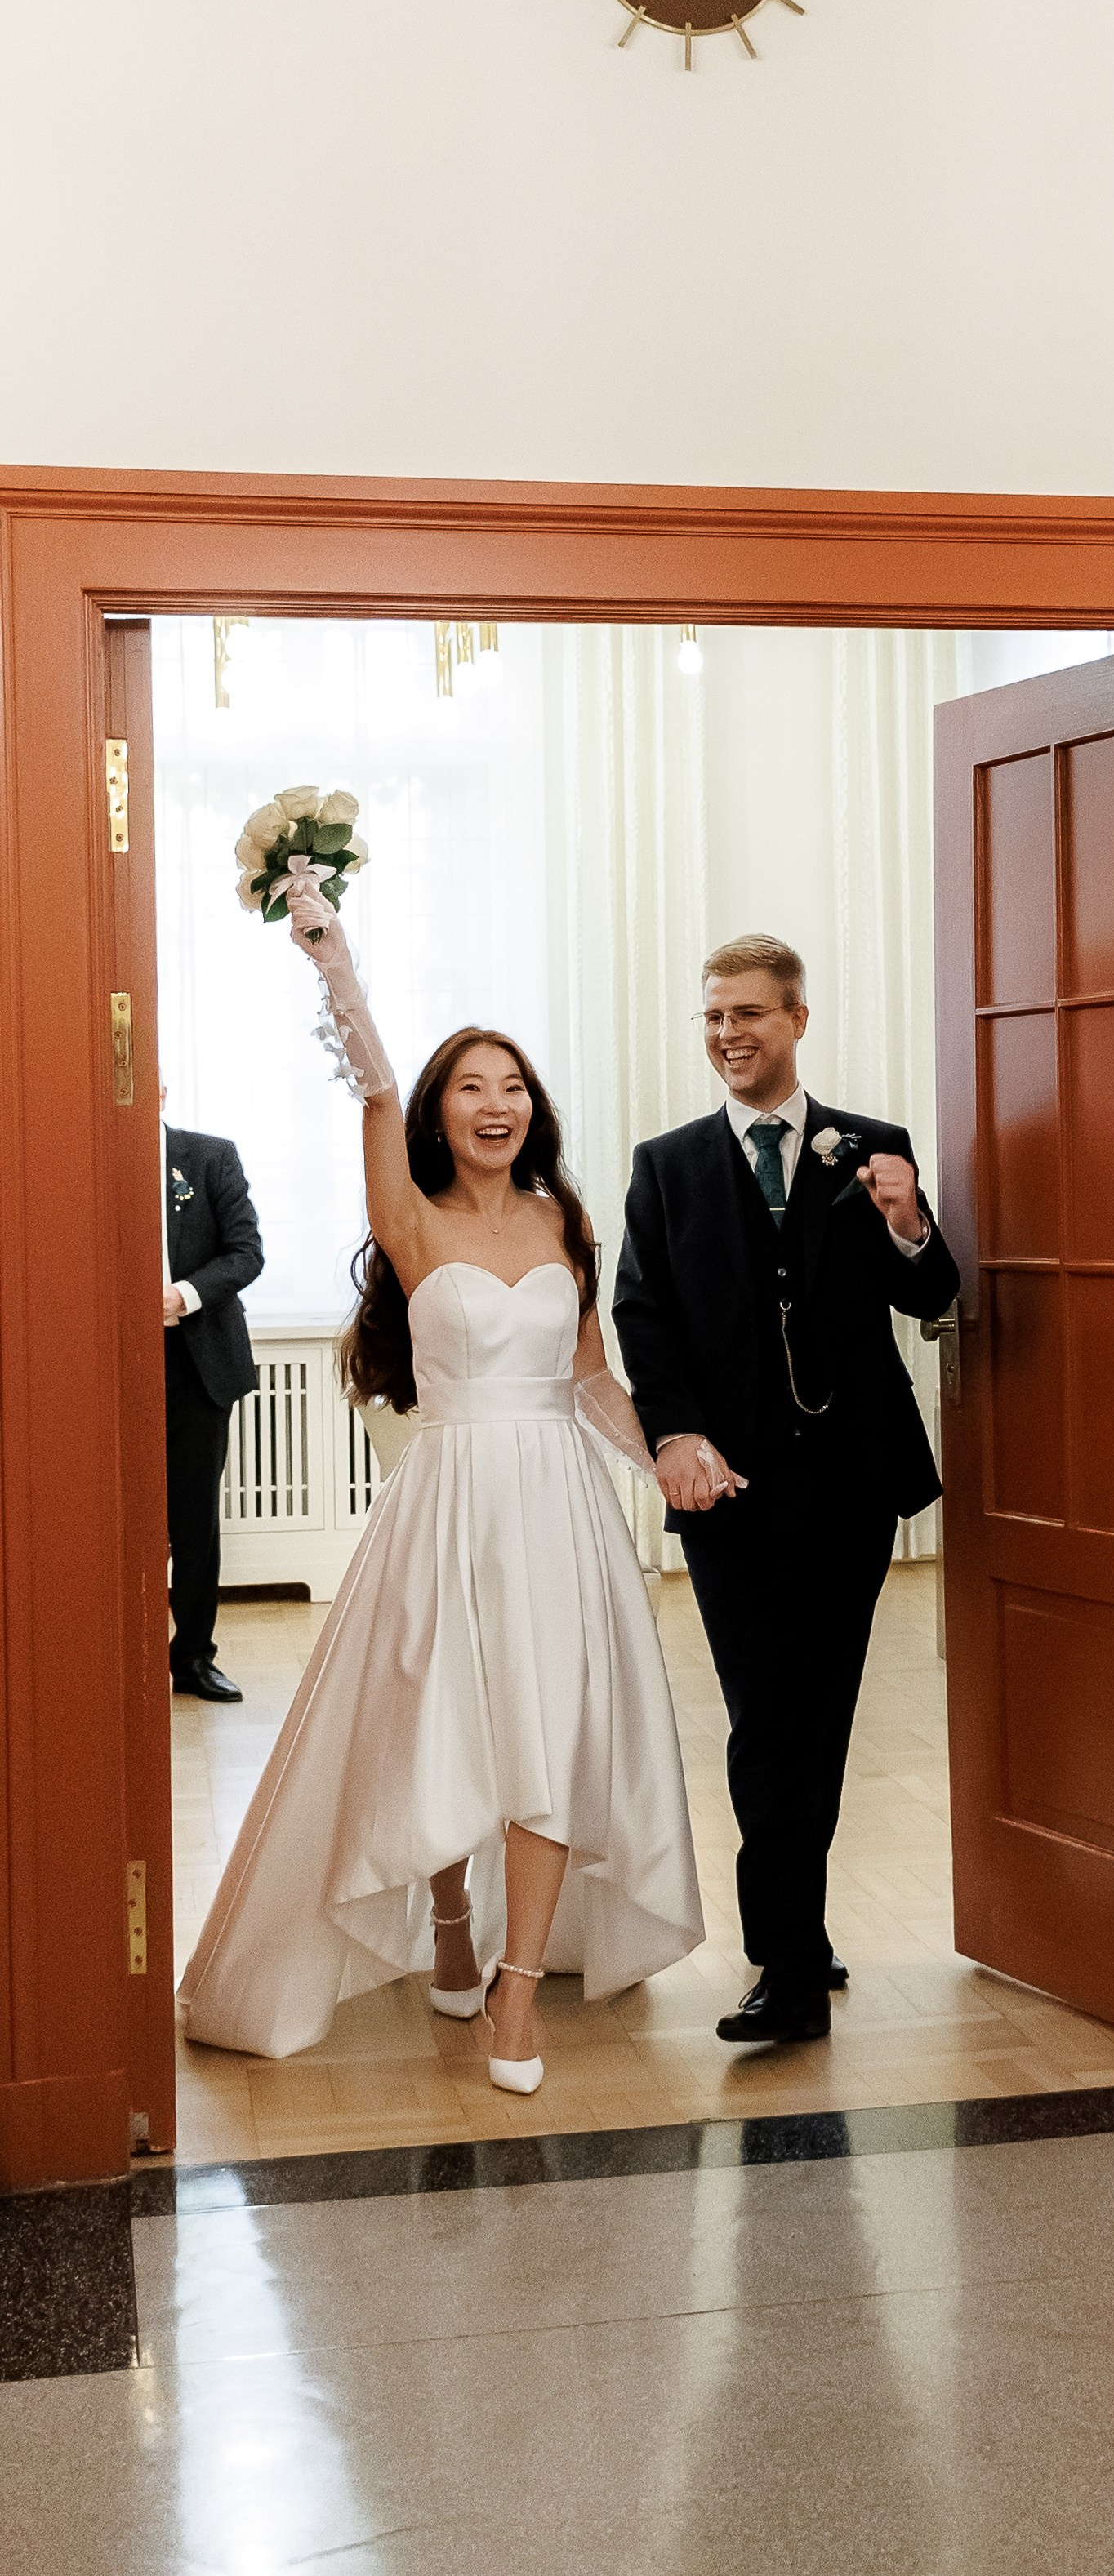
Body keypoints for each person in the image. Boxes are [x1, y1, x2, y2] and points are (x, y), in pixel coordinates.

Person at [179, 885, 702, 2093]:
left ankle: (514, 1993)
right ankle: (452, 1926)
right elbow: (369, 1088)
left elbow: (590, 1382)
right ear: (439, 1110)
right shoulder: (408, 1219)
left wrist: (666, 1456)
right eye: (472, 1086)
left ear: (535, 1109)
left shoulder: (563, 1216)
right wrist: (336, 964)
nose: (497, 1104)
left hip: (559, 1508)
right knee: (444, 1731)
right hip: (450, 1503)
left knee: (549, 1734)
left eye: (513, 1085)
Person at [613, 931, 960, 2045]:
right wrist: (675, 1434)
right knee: (766, 1716)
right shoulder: (664, 1167)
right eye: (714, 1016)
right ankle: (786, 1963)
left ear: (796, 1019)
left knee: (821, 1713)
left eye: (750, 1015)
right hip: (731, 1495)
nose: (728, 1034)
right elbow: (640, 1315)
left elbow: (934, 1291)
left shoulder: (872, 1149)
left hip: (852, 1485)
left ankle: (798, 1934)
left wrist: (907, 1221)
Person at [162, 1086, 264, 1702]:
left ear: (162, 1089)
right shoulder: (91, 1160)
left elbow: (246, 1253)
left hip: (197, 1361)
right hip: (114, 1361)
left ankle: (193, 1656)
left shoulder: (209, 1157)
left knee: (194, 1516)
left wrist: (182, 1296)